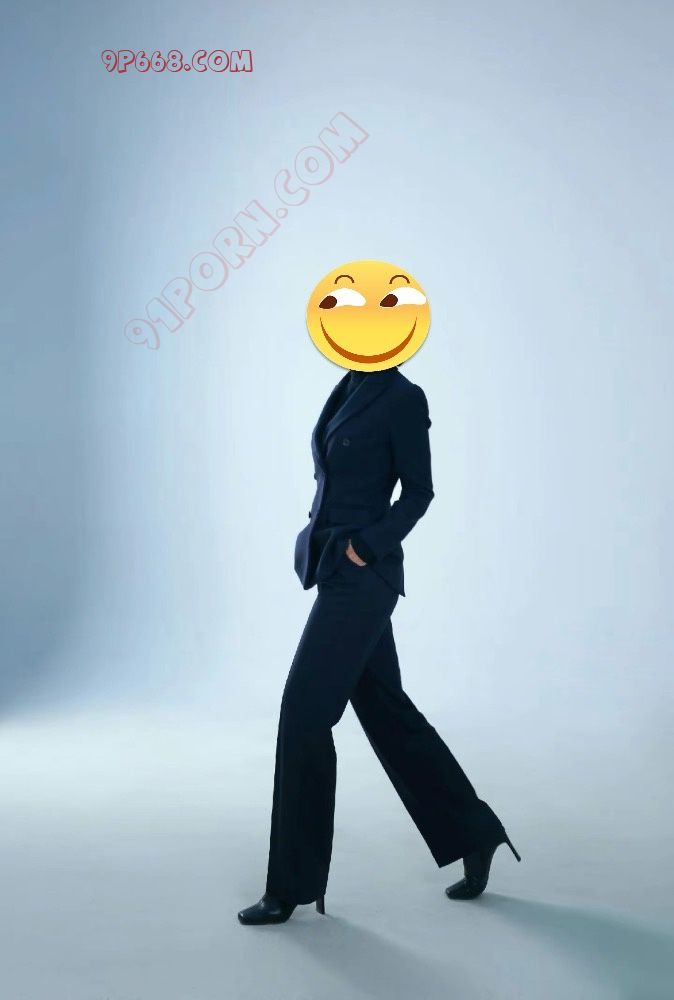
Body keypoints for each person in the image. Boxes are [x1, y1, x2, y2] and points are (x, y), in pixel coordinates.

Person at [237, 364, 520, 925]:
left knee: (303, 714)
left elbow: (420, 492)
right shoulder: (349, 385)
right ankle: (475, 833)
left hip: (364, 577)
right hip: (335, 568)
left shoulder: (403, 398)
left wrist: (367, 546)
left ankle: (290, 887)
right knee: (388, 712)